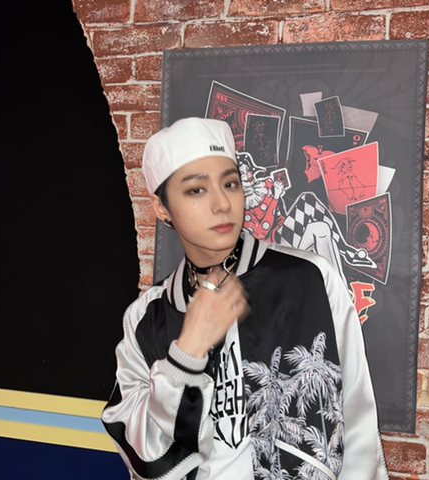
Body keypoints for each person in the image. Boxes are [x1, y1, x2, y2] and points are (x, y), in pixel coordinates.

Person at [102, 117, 389, 480]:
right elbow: (146, 460)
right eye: (196, 190)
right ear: (161, 207)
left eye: (231, 184)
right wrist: (187, 354)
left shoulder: (309, 278)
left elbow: (358, 429)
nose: (222, 203)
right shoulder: (148, 317)